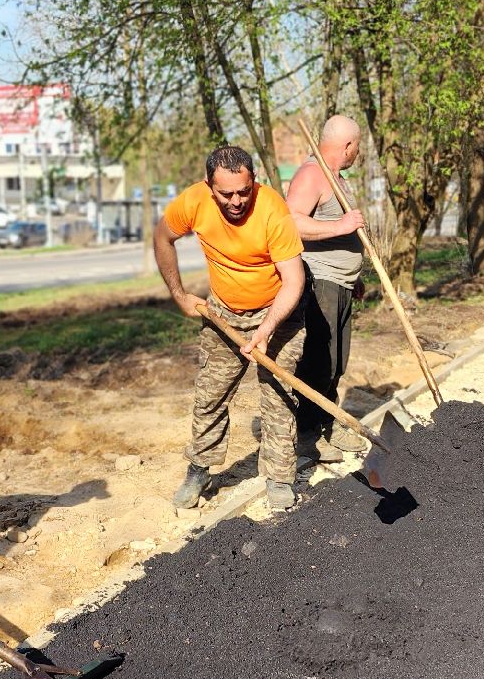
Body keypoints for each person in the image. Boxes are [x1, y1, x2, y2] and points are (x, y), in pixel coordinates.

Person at [155, 145, 308, 513]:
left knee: (278, 395)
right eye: (227, 194)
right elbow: (163, 239)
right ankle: (199, 469)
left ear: (253, 182)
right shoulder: (192, 202)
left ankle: (279, 477)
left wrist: (268, 328)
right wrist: (178, 294)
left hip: (280, 313)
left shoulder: (273, 210)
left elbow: (294, 279)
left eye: (244, 191)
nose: (237, 200)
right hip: (223, 312)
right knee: (210, 393)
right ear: (210, 186)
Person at [286, 115, 368, 465]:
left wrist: (356, 275)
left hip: (342, 283)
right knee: (318, 361)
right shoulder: (311, 173)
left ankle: (325, 425)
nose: (357, 153)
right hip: (320, 281)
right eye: (358, 146)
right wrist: (340, 225)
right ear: (347, 145)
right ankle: (306, 437)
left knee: (336, 363)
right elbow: (291, 222)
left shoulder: (336, 178)